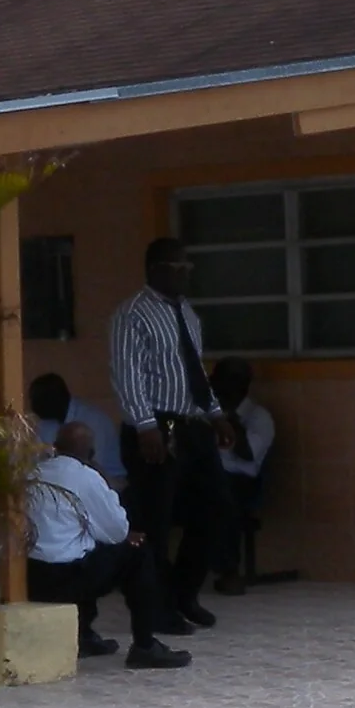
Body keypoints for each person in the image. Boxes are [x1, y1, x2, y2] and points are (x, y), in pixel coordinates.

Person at [106, 236, 243, 627]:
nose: (185, 275)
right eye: (176, 268)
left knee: (217, 507)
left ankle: (184, 593)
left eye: (188, 268)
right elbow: (128, 374)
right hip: (156, 427)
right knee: (156, 520)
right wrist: (145, 425)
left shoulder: (187, 313)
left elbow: (194, 372)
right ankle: (156, 608)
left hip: (191, 425)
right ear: (155, 270)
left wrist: (216, 414)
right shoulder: (132, 314)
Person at [24, 420, 190, 668]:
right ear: (91, 452)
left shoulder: (33, 474)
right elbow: (117, 531)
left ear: (55, 447)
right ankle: (145, 646)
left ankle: (84, 636)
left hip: (33, 577)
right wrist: (105, 482)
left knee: (85, 547)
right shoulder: (86, 477)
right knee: (138, 554)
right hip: (67, 581)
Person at [211, 357, 278, 593]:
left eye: (225, 383)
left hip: (242, 482)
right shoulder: (209, 413)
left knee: (223, 497)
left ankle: (229, 571)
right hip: (209, 475)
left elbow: (248, 454)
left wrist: (230, 421)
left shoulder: (259, 417)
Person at [25, 372, 124, 488]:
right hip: (62, 482)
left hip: (106, 483)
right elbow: (37, 460)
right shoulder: (45, 423)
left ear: (55, 400)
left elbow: (91, 467)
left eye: (38, 402)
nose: (32, 408)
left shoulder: (94, 420)